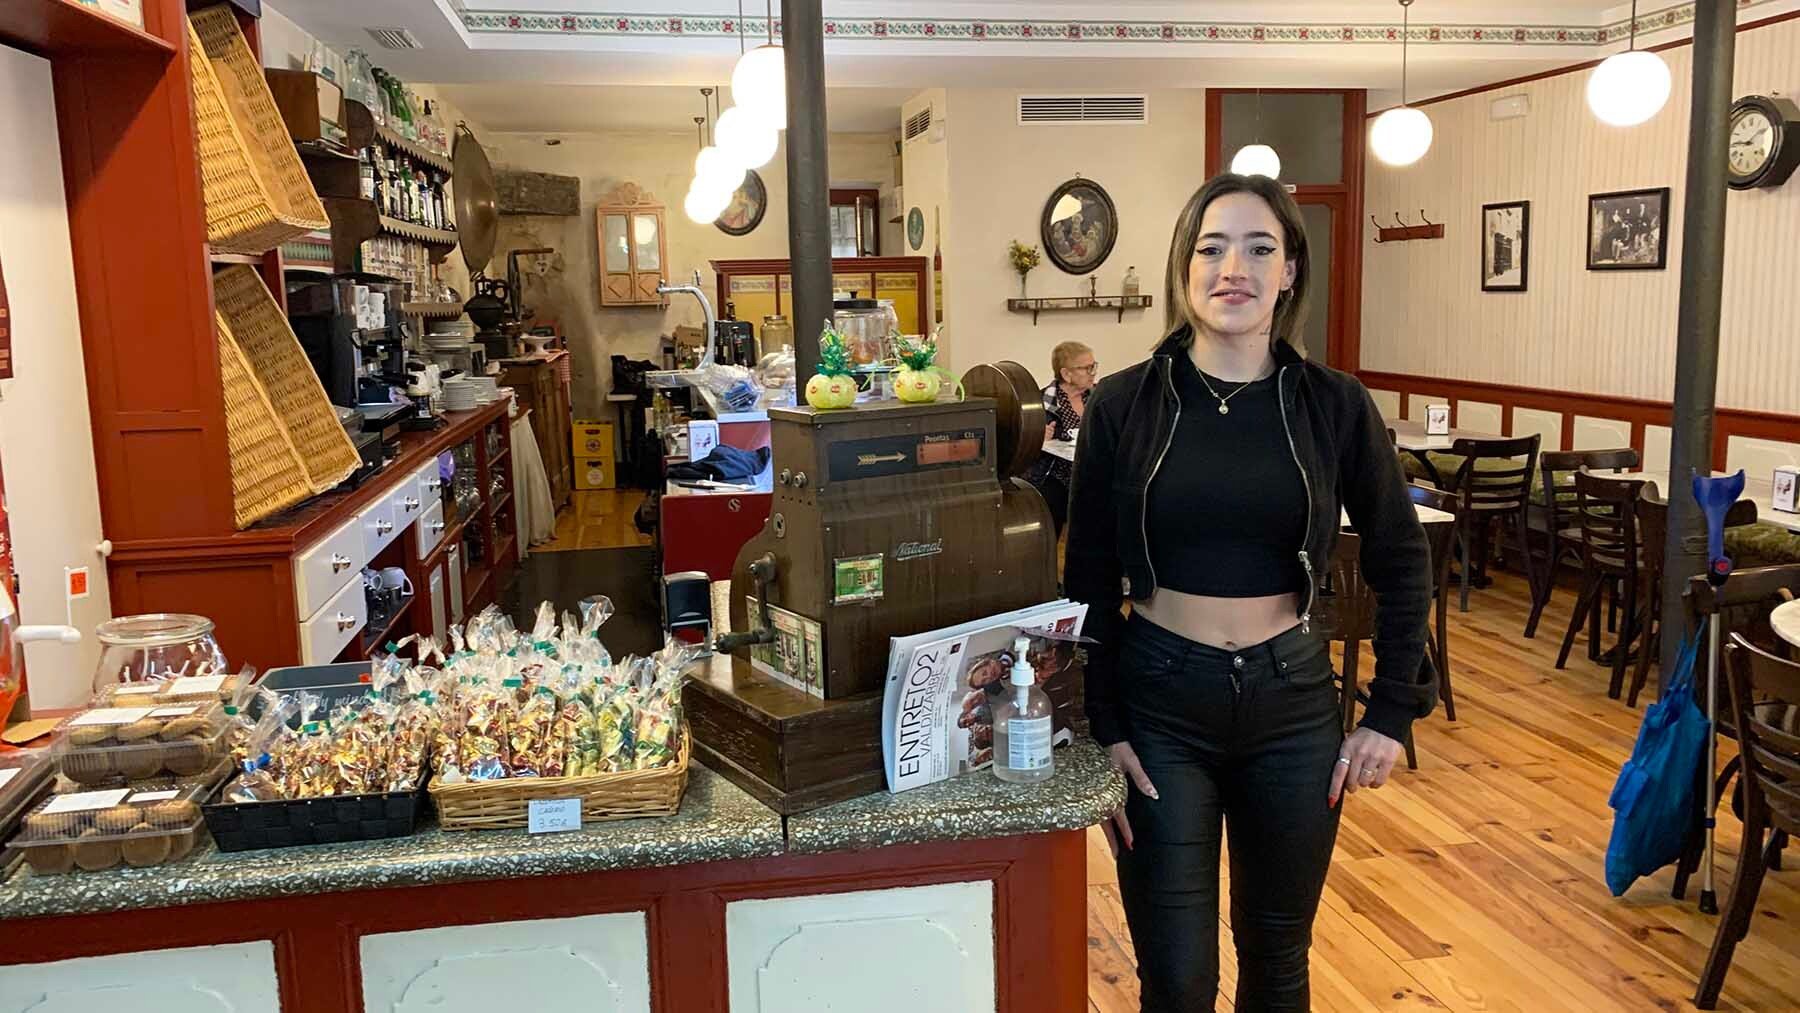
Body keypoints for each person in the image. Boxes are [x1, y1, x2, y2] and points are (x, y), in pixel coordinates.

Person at [1064, 172, 1435, 1011]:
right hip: (1159, 705)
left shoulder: (1334, 405)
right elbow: (1085, 577)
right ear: (1184, 267)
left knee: (1278, 962)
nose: (1235, 268)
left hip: (1292, 705)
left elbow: (1401, 558)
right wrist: (1102, 726)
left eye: (1260, 248)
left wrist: (1389, 711)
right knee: (1177, 977)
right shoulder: (1123, 405)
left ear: (1290, 270)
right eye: (1213, 248)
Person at [1027, 341, 1097, 536]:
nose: (1093, 373)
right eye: (1086, 368)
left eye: (1094, 366)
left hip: (1092, 475)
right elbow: (1022, 452)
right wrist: (1036, 438)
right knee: (1049, 519)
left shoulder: (1099, 397)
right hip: (1054, 477)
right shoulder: (1039, 404)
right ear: (1066, 374)